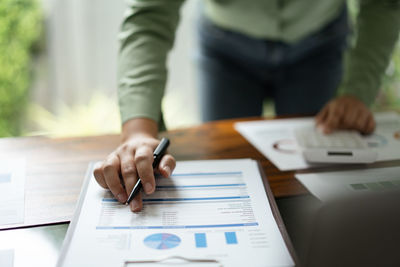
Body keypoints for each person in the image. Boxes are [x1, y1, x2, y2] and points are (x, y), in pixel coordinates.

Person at [94, 0, 400, 212]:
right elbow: (149, 17)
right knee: (227, 179)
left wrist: (358, 91)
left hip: (321, 41)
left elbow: (383, 5)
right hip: (226, 46)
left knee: (320, 189)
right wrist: (137, 131)